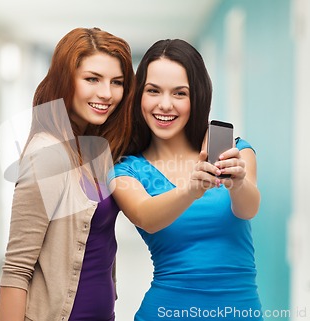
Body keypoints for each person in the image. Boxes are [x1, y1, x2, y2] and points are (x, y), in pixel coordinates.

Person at [110, 39, 262, 320]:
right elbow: (147, 217)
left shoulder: (237, 152)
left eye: (180, 93)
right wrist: (190, 190)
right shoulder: (126, 169)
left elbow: (248, 209)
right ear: (138, 96)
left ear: (198, 97)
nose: (165, 105)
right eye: (153, 91)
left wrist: (238, 183)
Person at [0, 27, 134, 321]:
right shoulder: (48, 154)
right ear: (65, 80)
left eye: (117, 82)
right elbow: (17, 268)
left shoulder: (94, 147)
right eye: (92, 79)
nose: (106, 93)